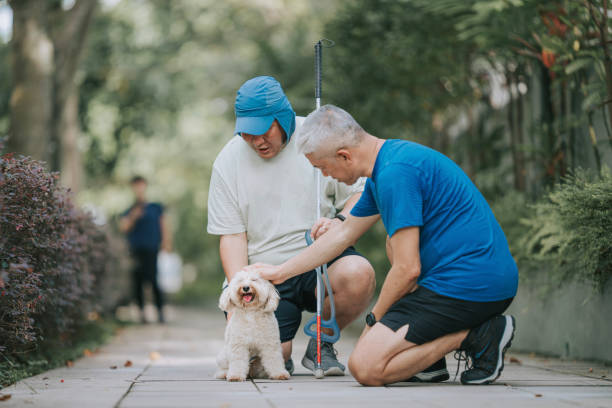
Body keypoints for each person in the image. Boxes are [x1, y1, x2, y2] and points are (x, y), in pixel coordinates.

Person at [247, 105, 519, 386]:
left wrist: (373, 322)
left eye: (323, 168)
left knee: (365, 367)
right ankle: (430, 362)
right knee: (394, 242)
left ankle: (476, 335)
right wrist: (281, 272)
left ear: (344, 156)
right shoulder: (388, 164)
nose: (326, 176)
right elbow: (343, 235)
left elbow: (407, 268)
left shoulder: (394, 175)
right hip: (468, 280)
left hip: (470, 286)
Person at [207, 76, 376, 377]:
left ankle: (321, 344)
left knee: (358, 274)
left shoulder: (316, 139)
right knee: (272, 358)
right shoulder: (227, 161)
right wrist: (238, 299)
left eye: (264, 131)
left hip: (319, 259)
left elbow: (363, 193)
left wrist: (338, 222)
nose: (257, 141)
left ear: (282, 117)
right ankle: (285, 350)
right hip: (264, 273)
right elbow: (231, 237)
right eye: (247, 133)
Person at [120, 176, 171, 324]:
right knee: (137, 280)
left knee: (154, 279)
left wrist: (167, 242)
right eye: (135, 185)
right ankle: (142, 313)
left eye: (141, 185)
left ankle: (160, 311)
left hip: (152, 248)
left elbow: (164, 225)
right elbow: (124, 228)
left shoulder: (155, 207)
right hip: (135, 250)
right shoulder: (130, 210)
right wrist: (133, 217)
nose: (138, 188)